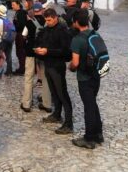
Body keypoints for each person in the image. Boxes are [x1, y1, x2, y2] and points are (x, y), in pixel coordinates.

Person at [68, 9, 103, 149]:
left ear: (76, 22)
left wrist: (70, 67)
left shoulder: (77, 40)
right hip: (96, 75)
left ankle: (89, 139)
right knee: (93, 104)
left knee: (88, 107)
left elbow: (75, 63)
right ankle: (98, 133)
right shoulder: (96, 34)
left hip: (84, 78)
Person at [35, 8, 73, 134]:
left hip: (57, 67)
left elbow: (66, 53)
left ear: (55, 17)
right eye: (46, 20)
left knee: (62, 94)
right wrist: (39, 49)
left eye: (50, 20)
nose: (48, 22)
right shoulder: (47, 29)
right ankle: (57, 114)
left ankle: (68, 123)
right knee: (54, 92)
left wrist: (48, 51)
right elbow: (44, 43)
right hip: (48, 65)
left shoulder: (63, 31)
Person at [20, 3, 51, 113]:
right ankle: (47, 103)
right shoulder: (48, 22)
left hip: (31, 52)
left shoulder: (29, 22)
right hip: (43, 53)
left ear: (33, 10)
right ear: (42, 10)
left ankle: (27, 103)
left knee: (29, 77)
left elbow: (23, 36)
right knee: (45, 78)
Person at [0, 5, 14, 76]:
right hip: (9, 40)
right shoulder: (8, 20)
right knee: (8, 55)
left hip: (0, 41)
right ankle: (9, 71)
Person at [11, 0, 27, 75]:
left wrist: (14, 27)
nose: (12, 6)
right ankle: (22, 67)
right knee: (20, 51)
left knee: (20, 52)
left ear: (18, 5)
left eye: (13, 5)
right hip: (19, 33)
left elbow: (21, 24)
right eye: (12, 5)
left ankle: (22, 69)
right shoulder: (19, 12)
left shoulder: (21, 13)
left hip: (20, 34)